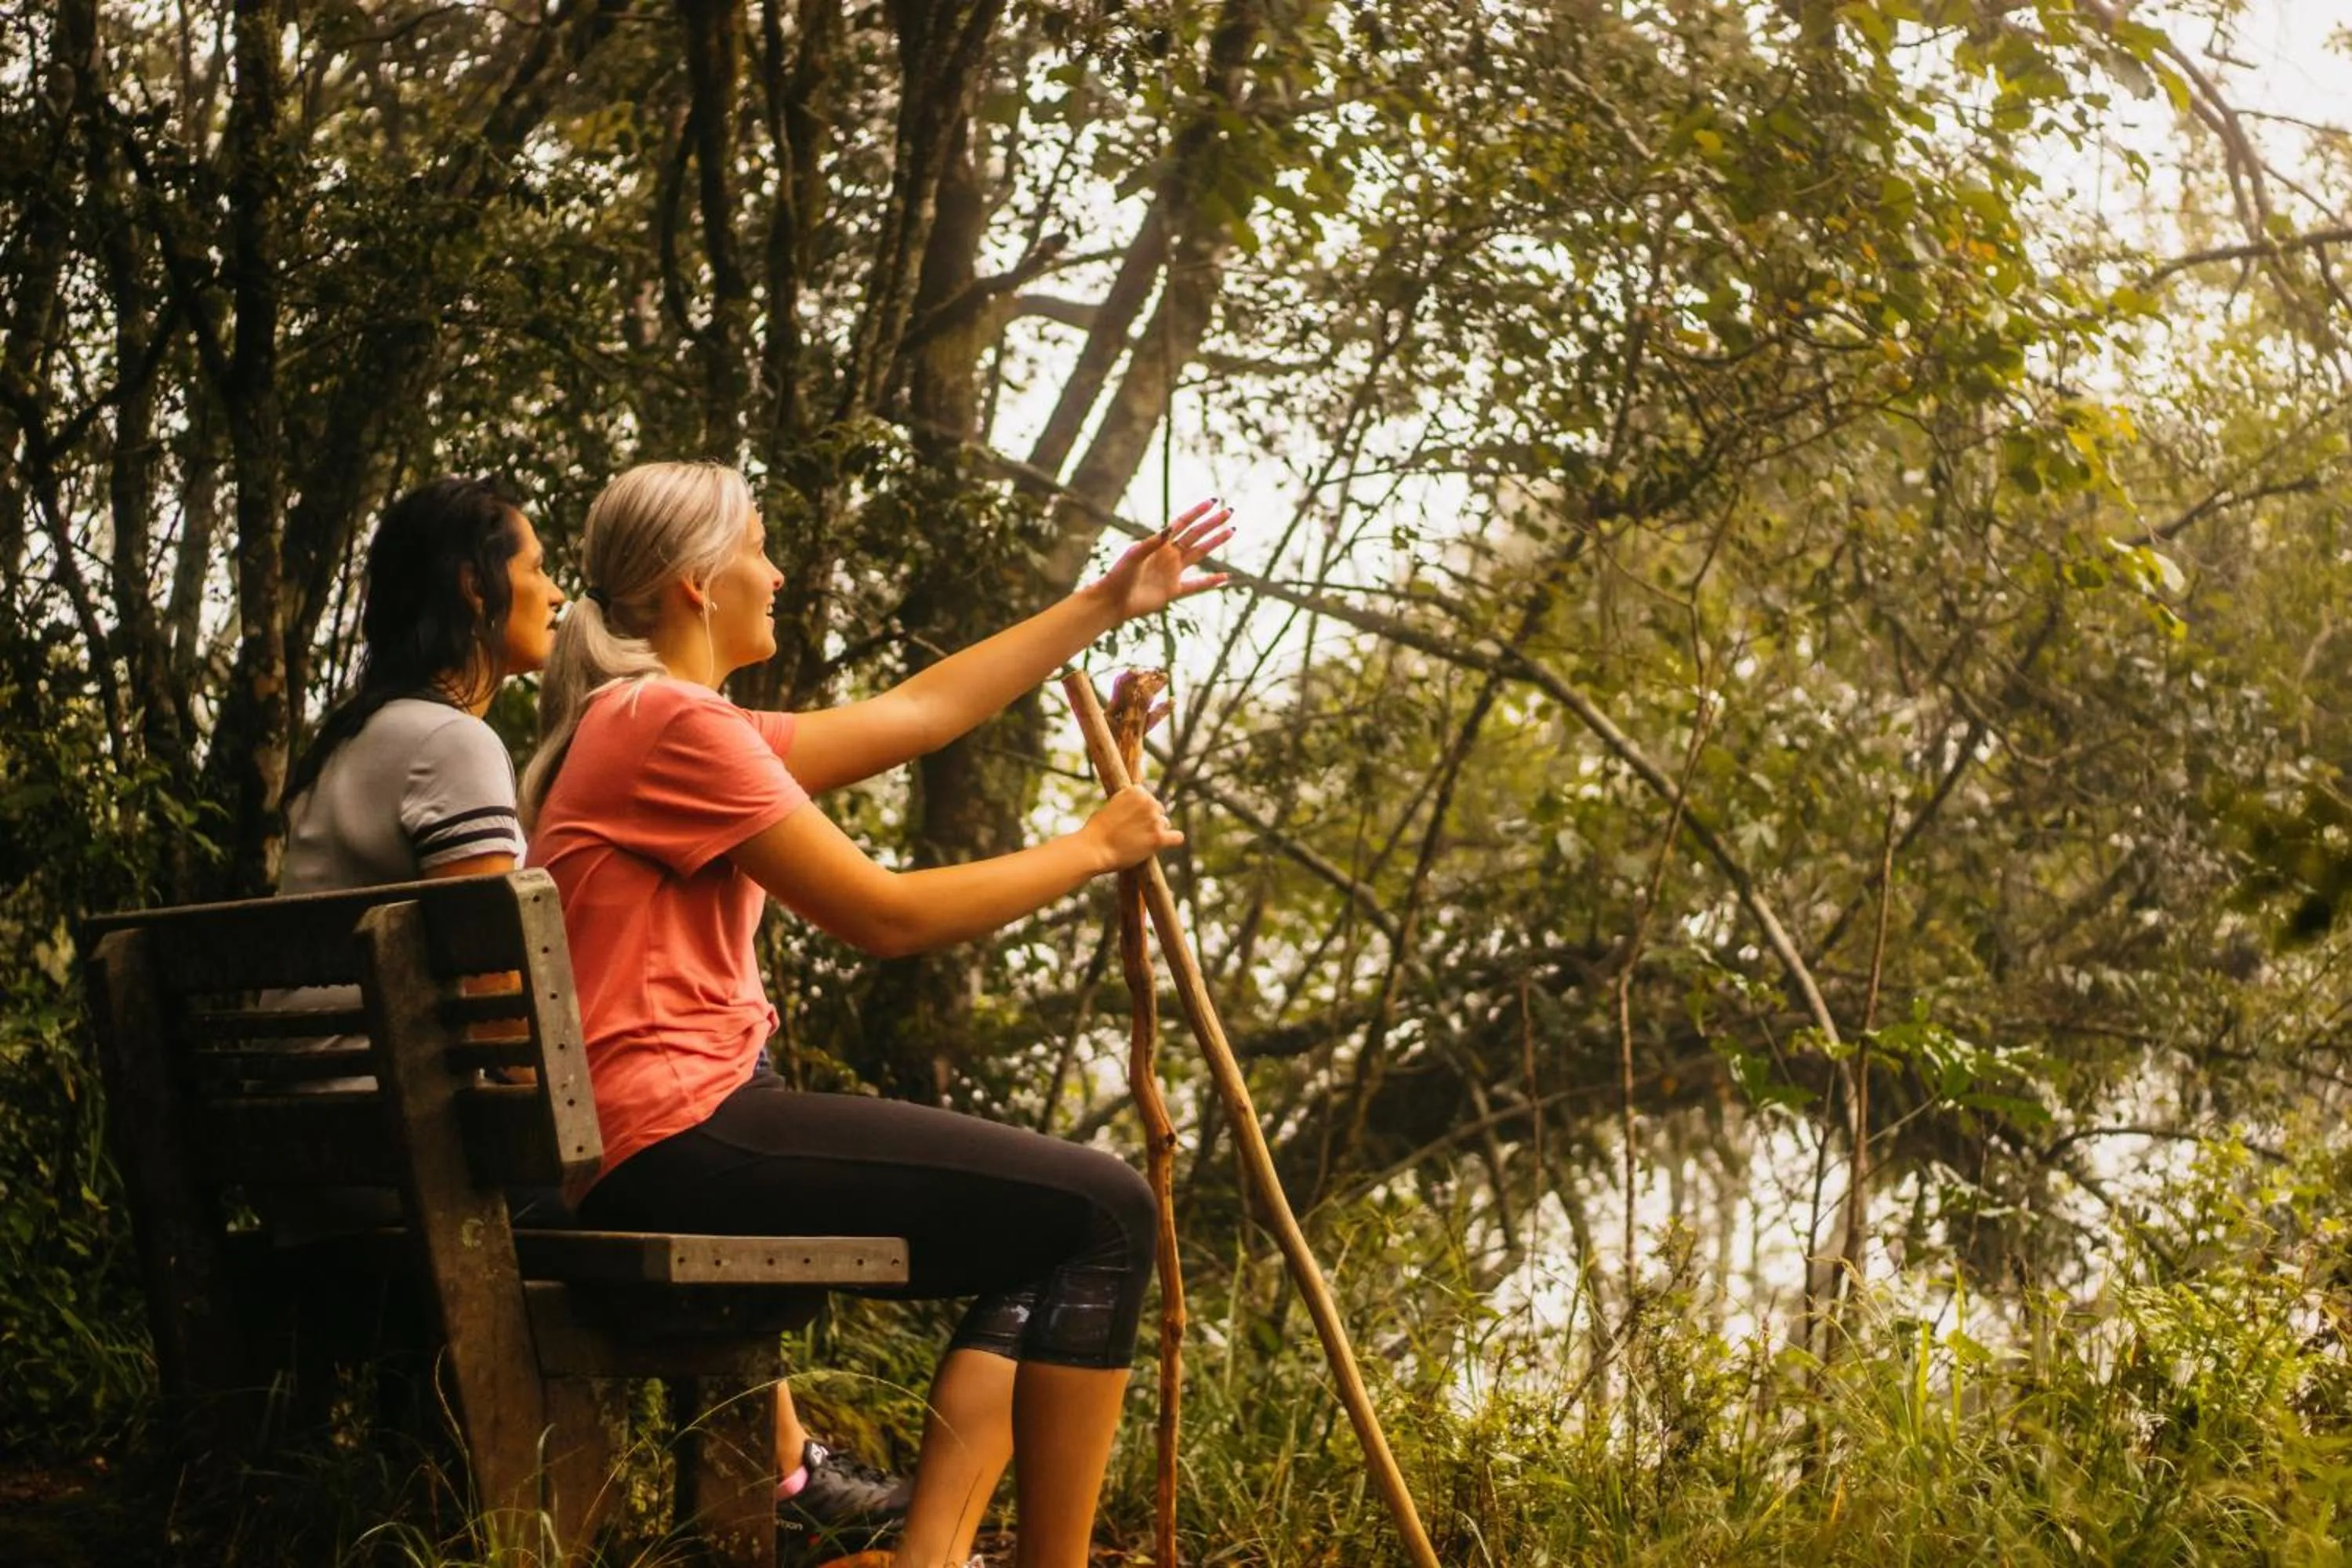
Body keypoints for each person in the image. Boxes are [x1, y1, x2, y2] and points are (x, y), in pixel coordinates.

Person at [518, 461, 1233, 1568]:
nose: (779, 571)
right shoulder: (667, 726)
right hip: (677, 1136)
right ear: (698, 584)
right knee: (1104, 1215)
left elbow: (922, 712)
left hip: (663, 1135)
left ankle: (932, 1558)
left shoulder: (662, 723)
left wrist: (1107, 598)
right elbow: (884, 917)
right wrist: (1091, 847)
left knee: (1054, 1226)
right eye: (759, 546)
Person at [281, 475, 906, 1536]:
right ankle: (787, 1488)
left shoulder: (340, 744)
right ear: (477, 590)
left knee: (669, 1136)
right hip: (405, 1166)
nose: (555, 591)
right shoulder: (453, 743)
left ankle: (792, 1474)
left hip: (314, 1158)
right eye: (532, 568)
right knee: (665, 1162)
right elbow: (493, 991)